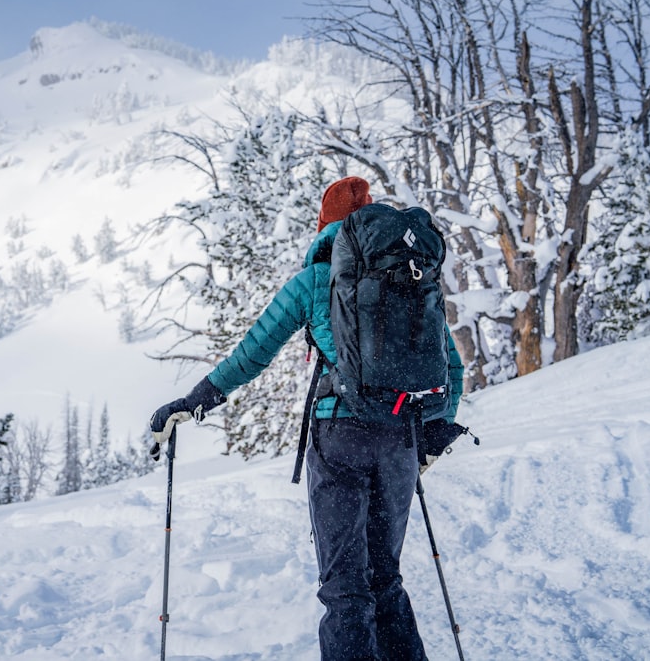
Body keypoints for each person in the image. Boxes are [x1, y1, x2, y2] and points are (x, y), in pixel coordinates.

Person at [149, 176, 464, 661]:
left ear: (325, 230)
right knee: (386, 579)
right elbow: (452, 366)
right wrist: (430, 439)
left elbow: (253, 352)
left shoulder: (316, 280)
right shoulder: (408, 275)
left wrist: (194, 401)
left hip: (339, 437)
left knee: (345, 589)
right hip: (399, 437)